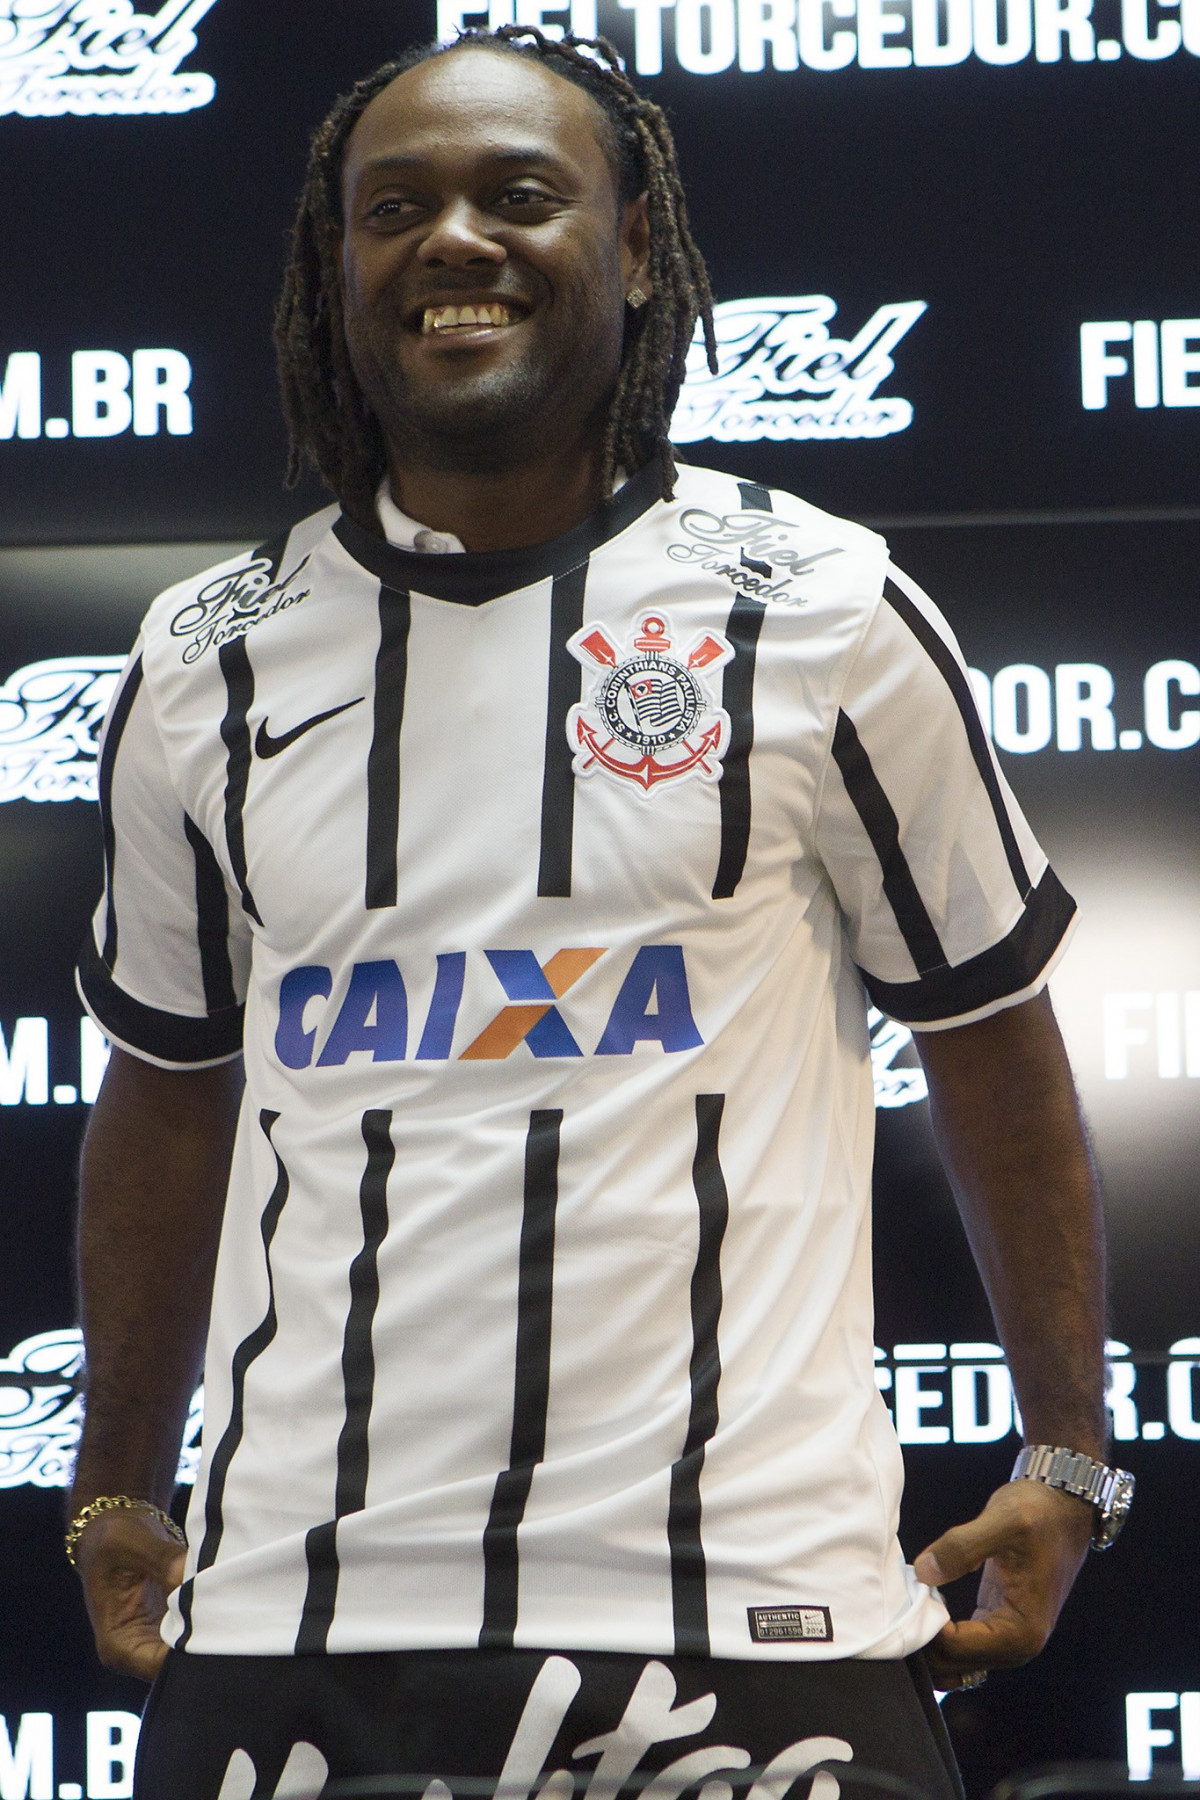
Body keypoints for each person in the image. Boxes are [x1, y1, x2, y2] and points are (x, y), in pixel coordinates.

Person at [67, 28, 1129, 1800]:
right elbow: (171, 1092)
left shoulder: (826, 611)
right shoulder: (208, 656)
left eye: (519, 195)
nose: (455, 242)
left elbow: (995, 1053)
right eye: (393, 208)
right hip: (297, 1627)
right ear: (339, 278)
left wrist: (1074, 1454)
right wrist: (116, 1481)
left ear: (637, 253)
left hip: (758, 1625)